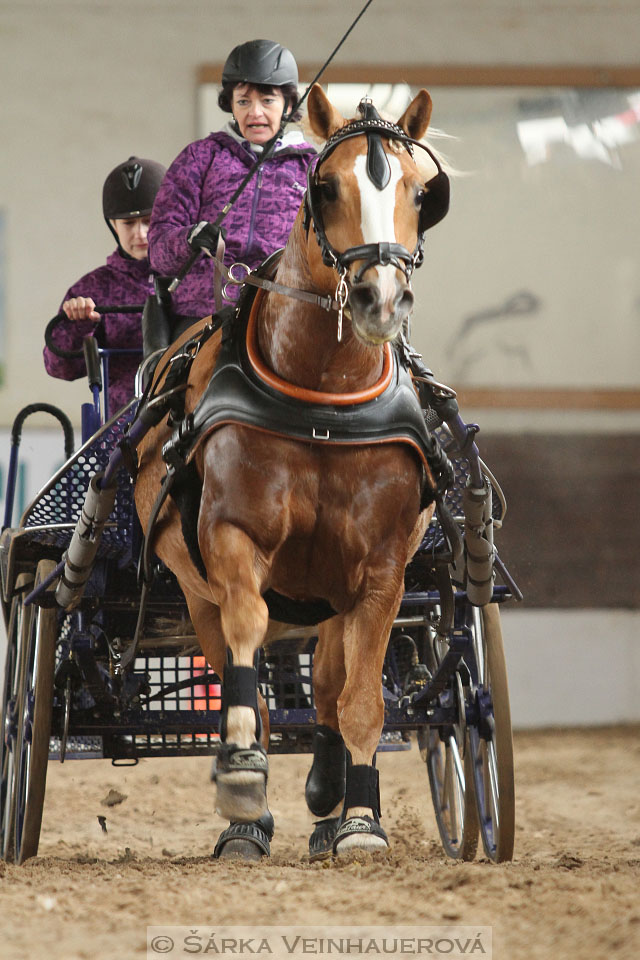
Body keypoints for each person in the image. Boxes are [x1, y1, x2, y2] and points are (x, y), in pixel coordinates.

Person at [147, 39, 316, 328]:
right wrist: (189, 239)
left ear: (288, 105)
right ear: (231, 105)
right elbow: (158, 252)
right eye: (243, 101)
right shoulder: (199, 157)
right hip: (202, 314)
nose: (255, 113)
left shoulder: (312, 168)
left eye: (268, 101)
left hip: (286, 316)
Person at [44, 156, 167, 414]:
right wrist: (78, 325)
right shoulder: (94, 288)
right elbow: (58, 367)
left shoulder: (192, 278)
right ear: (113, 225)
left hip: (191, 421)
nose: (140, 233)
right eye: (128, 223)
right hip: (125, 427)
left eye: (148, 220)